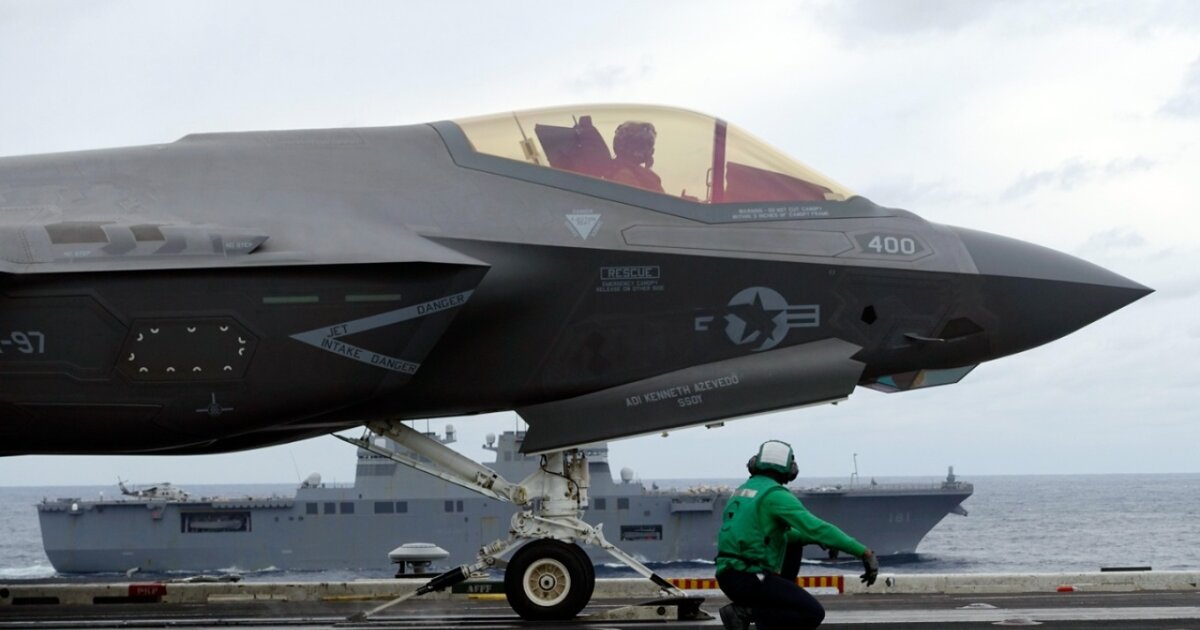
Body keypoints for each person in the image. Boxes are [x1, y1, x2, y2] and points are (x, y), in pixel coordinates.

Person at [715, 440, 879, 630]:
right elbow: (817, 528)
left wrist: (822, 541)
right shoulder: (775, 495)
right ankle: (744, 612)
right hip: (750, 578)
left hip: (729, 576)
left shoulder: (743, 491)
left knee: (793, 547)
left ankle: (756, 614)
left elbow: (785, 535)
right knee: (812, 612)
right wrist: (864, 552)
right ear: (790, 470)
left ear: (754, 463)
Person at [605, 121, 664, 193]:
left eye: (649, 145)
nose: (649, 149)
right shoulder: (624, 175)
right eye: (643, 144)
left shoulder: (637, 173)